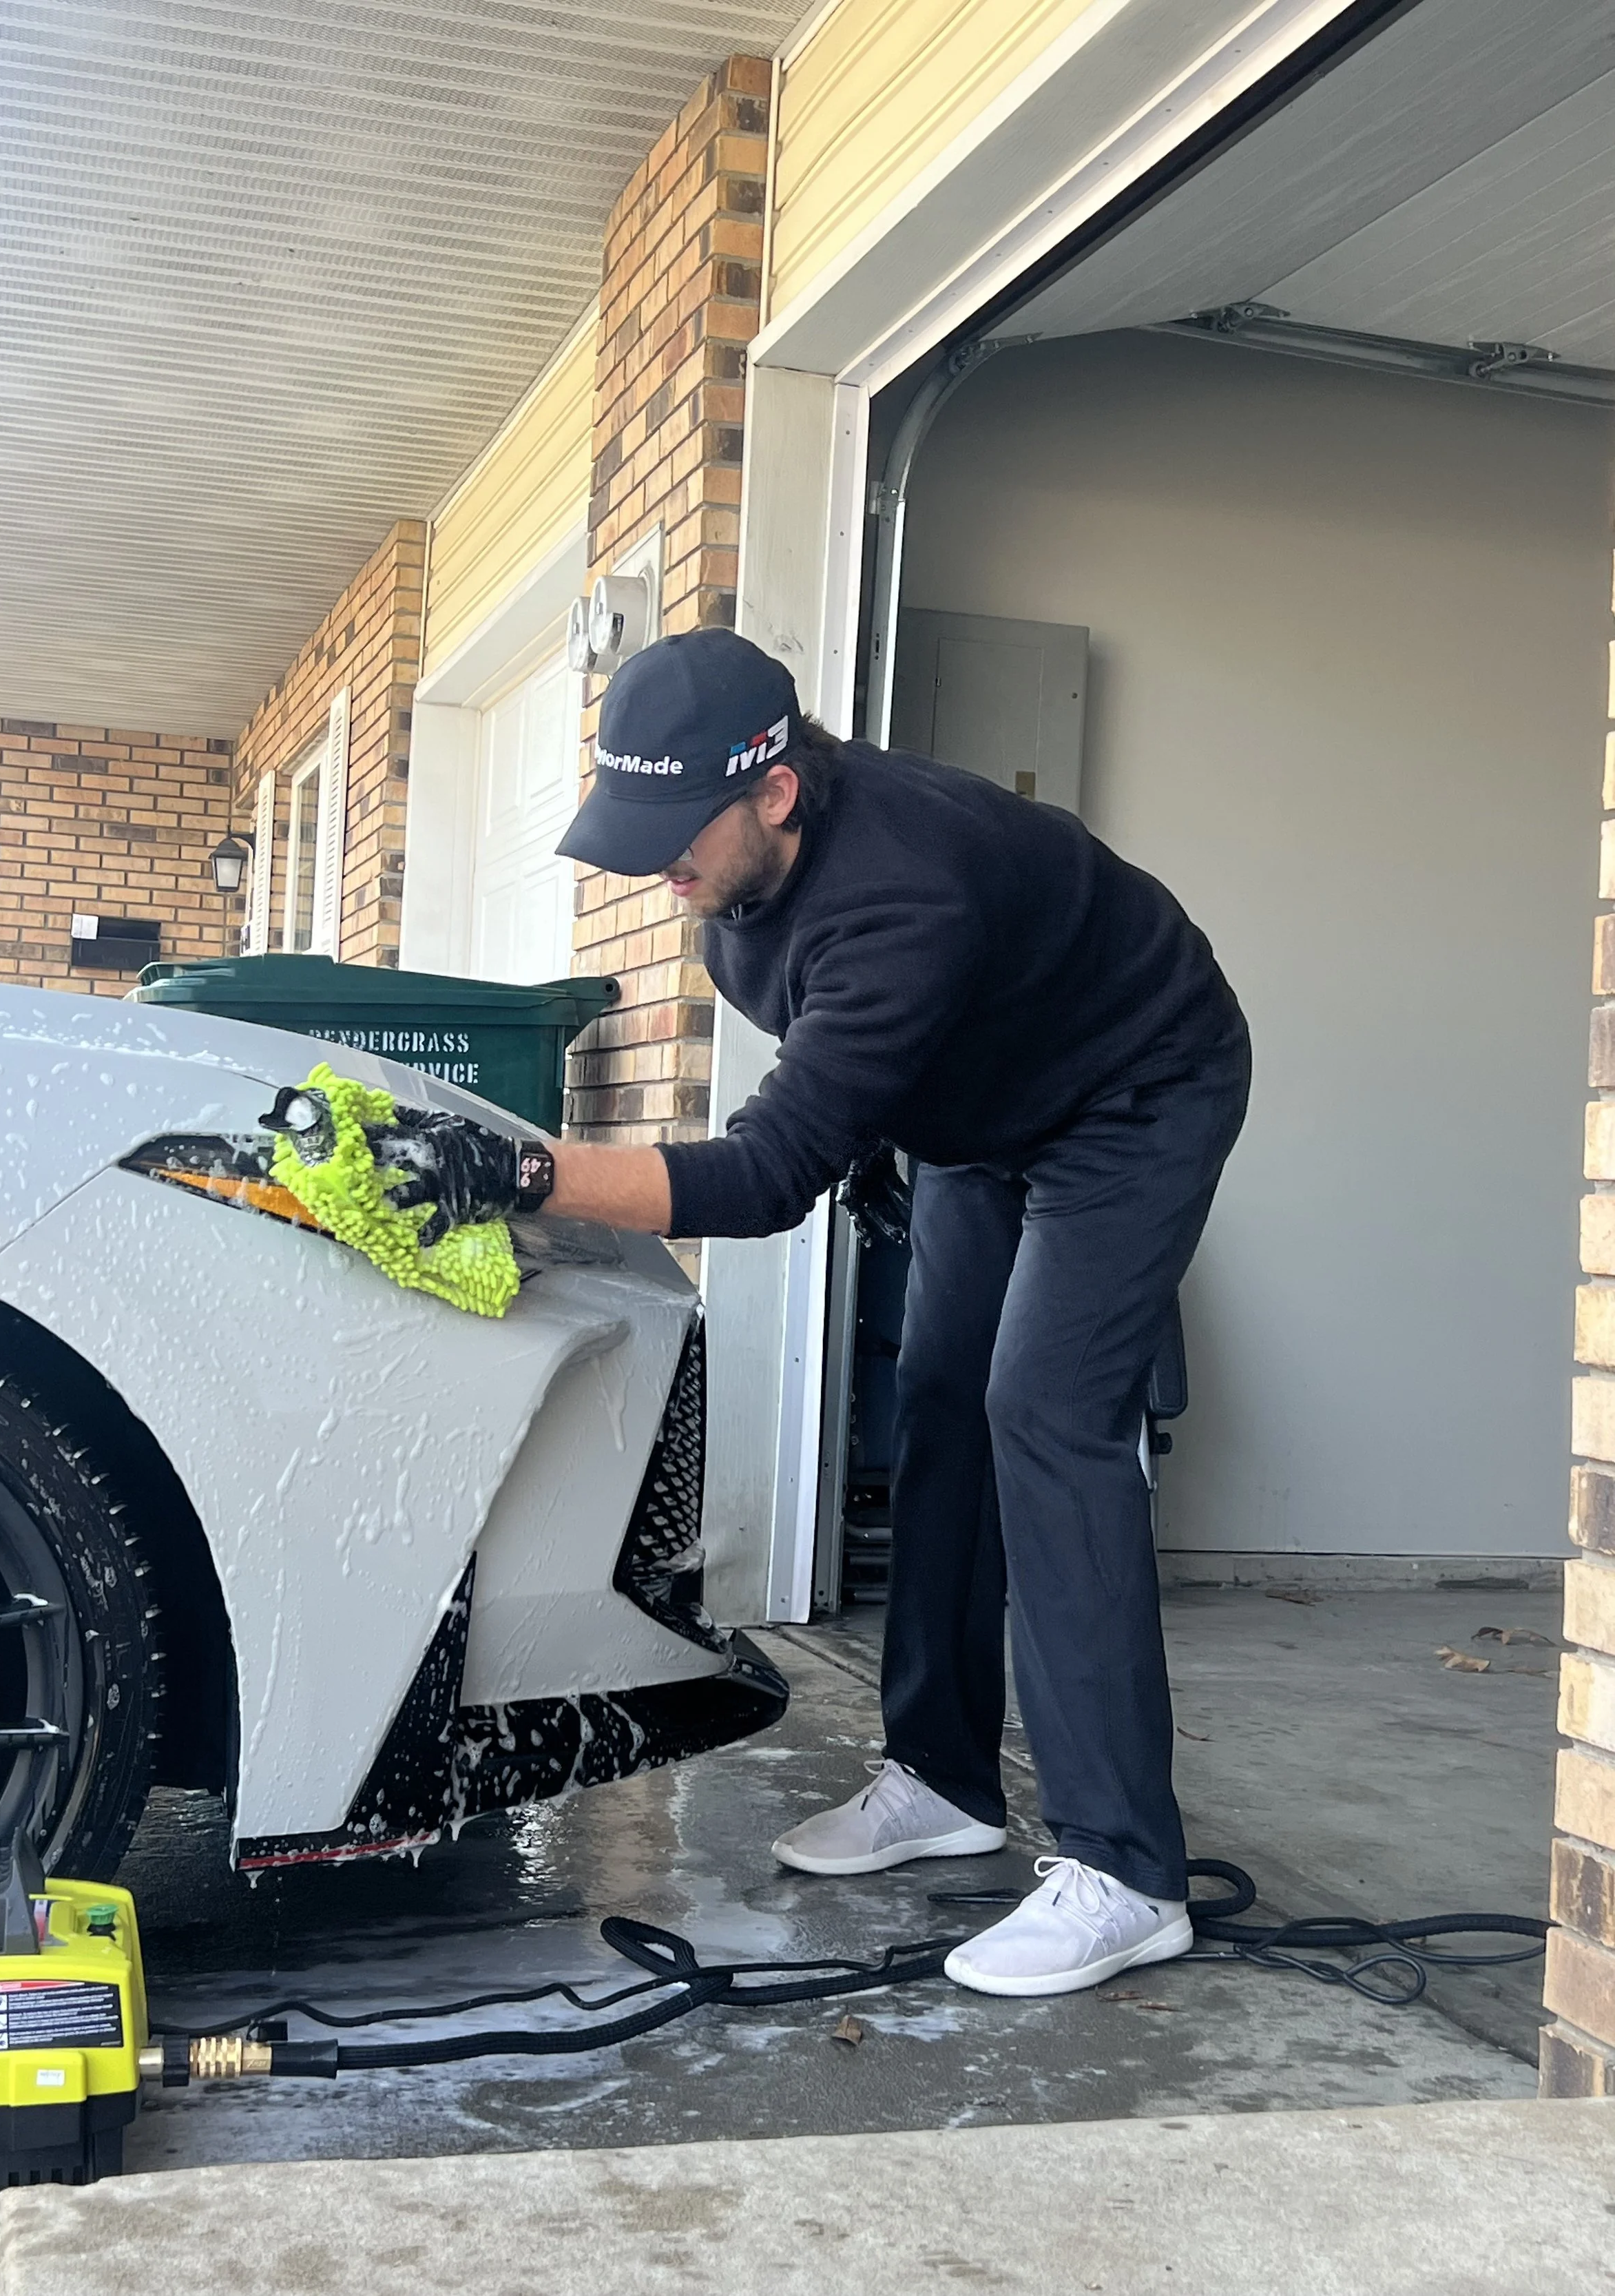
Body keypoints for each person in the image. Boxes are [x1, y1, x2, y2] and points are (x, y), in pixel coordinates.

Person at [401, 626, 1249, 2000]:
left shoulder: (905, 890)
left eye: (674, 833)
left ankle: (1125, 1872)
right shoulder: (741, 891)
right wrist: (876, 1150)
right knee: (936, 1398)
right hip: (988, 1108)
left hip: (1137, 1083)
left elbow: (759, 1176)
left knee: (1045, 1411)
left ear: (775, 794)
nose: (653, 867)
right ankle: (939, 1777)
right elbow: (831, 1081)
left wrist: (521, 1175)